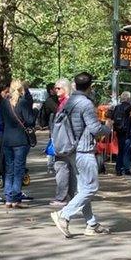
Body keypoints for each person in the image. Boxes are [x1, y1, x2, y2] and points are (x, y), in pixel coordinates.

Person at [50, 72, 110, 238]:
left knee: (83, 189)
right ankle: (64, 215)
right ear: (90, 87)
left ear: (74, 85)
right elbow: (96, 129)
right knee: (91, 187)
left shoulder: (69, 102)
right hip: (83, 150)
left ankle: (91, 224)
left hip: (71, 149)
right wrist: (108, 128)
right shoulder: (86, 104)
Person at [2, 80, 35, 208]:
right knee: (18, 169)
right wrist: (36, 111)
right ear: (22, 90)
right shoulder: (23, 103)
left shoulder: (4, 103)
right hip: (21, 140)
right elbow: (30, 120)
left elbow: (1, 119)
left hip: (7, 139)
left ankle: (8, 198)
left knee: (9, 169)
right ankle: (16, 198)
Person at [50, 78, 75, 206]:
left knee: (61, 167)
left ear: (66, 89)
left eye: (58, 88)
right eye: (55, 88)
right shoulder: (64, 102)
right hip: (65, 141)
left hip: (64, 142)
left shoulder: (66, 103)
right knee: (67, 168)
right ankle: (70, 195)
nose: (56, 90)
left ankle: (62, 197)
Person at [111, 91, 131, 176]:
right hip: (128, 132)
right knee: (127, 151)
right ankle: (126, 169)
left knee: (120, 150)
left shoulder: (117, 107)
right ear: (129, 98)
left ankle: (118, 169)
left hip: (119, 131)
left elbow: (112, 117)